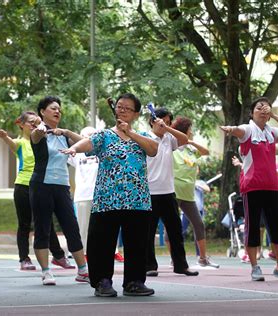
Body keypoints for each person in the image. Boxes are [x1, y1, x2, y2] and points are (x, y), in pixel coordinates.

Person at [61, 93, 158, 297]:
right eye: (119, 107)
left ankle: (134, 282)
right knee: (102, 243)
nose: (121, 110)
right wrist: (73, 148)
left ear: (136, 113)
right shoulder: (104, 135)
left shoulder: (143, 136)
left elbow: (153, 150)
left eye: (127, 108)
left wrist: (130, 133)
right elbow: (87, 143)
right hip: (107, 198)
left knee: (137, 243)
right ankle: (102, 282)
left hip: (137, 199)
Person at [0, 111, 75, 271]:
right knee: (24, 224)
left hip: (42, 184)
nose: (34, 124)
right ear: (21, 124)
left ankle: (58, 256)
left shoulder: (43, 139)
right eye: (31, 122)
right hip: (24, 185)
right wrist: (4, 137)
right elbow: (11, 144)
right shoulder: (20, 143)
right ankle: (24, 258)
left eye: (37, 122)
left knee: (47, 223)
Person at [221, 96, 278, 281]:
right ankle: (254, 267)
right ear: (252, 113)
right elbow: (237, 130)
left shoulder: (271, 132)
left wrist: (275, 115)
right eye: (259, 107)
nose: (263, 109)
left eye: (266, 107)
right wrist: (230, 129)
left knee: (276, 227)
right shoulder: (248, 130)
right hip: (252, 188)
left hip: (272, 187)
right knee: (252, 229)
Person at [29, 96, 89, 286]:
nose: (57, 111)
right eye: (53, 108)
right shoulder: (38, 132)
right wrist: (40, 129)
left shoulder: (64, 135)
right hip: (41, 186)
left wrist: (67, 131)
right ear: (42, 112)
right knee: (43, 229)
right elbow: (36, 136)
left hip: (62, 187)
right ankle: (46, 272)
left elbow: (89, 143)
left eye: (59, 109)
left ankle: (83, 271)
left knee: (72, 227)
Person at [145, 108, 199, 277]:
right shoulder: (145, 138)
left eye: (168, 122)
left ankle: (180, 265)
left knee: (175, 231)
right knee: (148, 232)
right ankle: (149, 266)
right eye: (163, 121)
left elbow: (185, 139)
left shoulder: (170, 139)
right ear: (152, 121)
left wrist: (167, 128)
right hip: (150, 192)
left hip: (168, 192)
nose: (165, 124)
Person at [68, 126, 125, 263]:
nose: (87, 138)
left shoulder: (103, 151)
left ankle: (114, 251)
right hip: (83, 194)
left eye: (91, 135)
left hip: (103, 193)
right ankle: (85, 253)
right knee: (83, 226)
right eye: (84, 135)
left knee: (109, 225)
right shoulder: (76, 153)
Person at [170, 116, 219, 268]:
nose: (191, 132)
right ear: (183, 130)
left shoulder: (191, 149)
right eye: (189, 129)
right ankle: (175, 259)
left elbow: (205, 152)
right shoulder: (172, 148)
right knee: (172, 226)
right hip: (173, 192)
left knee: (198, 224)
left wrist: (189, 141)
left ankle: (203, 258)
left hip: (188, 195)